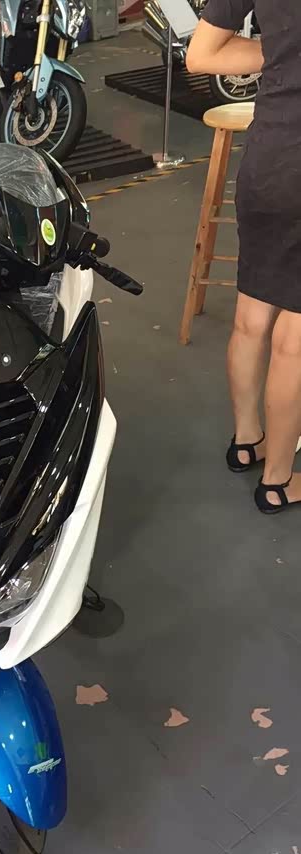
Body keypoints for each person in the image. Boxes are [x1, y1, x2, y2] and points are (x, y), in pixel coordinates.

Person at [187, 0, 301, 514]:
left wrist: (280, 50)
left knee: (253, 313)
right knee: (295, 339)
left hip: (269, 158)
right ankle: (279, 480)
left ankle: (248, 439)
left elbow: (201, 55)